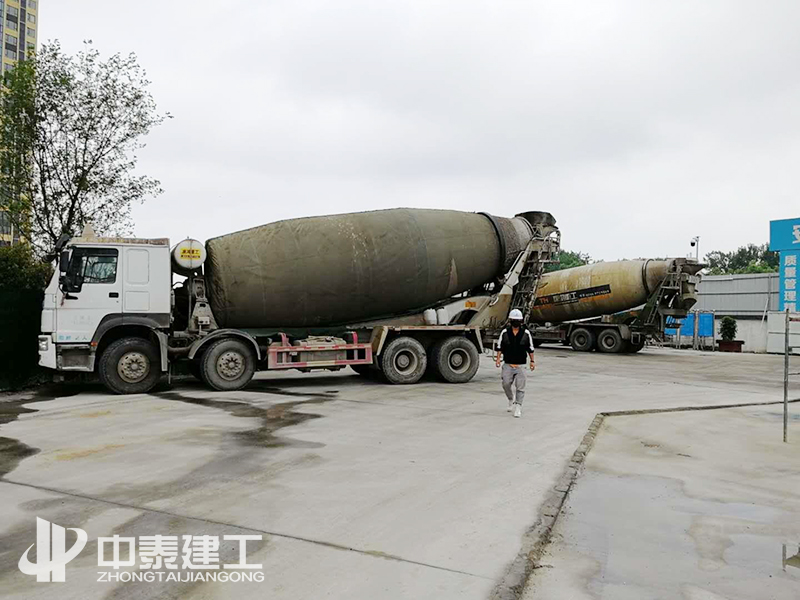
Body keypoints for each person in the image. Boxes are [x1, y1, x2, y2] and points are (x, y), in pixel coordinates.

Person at [495, 309, 535, 418]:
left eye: (518, 320)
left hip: (521, 365)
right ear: (510, 321)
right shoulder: (505, 333)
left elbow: (530, 349)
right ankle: (510, 398)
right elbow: (499, 347)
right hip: (508, 364)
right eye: (514, 320)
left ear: (521, 321)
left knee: (520, 387)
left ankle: (518, 406)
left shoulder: (526, 334)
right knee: (506, 384)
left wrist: (532, 361)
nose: (516, 322)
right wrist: (498, 359)